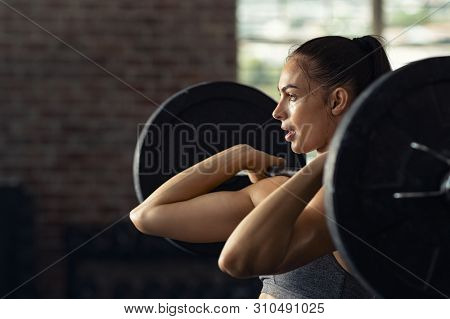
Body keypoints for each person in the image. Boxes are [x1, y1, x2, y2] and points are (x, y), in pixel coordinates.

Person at [129, 35, 392, 298]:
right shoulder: (284, 188)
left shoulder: (349, 197)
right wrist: (239, 156)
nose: (277, 111)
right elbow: (148, 216)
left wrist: (333, 157)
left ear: (336, 101)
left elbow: (236, 260)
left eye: (291, 96)